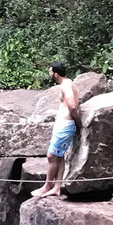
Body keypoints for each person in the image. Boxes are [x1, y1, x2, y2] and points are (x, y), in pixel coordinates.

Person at [32, 62, 81, 199]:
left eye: (50, 71)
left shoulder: (66, 85)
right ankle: (57, 187)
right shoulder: (66, 84)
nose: (49, 73)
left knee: (51, 156)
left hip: (65, 125)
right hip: (62, 124)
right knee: (59, 156)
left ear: (55, 73)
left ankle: (47, 186)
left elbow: (72, 106)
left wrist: (78, 123)